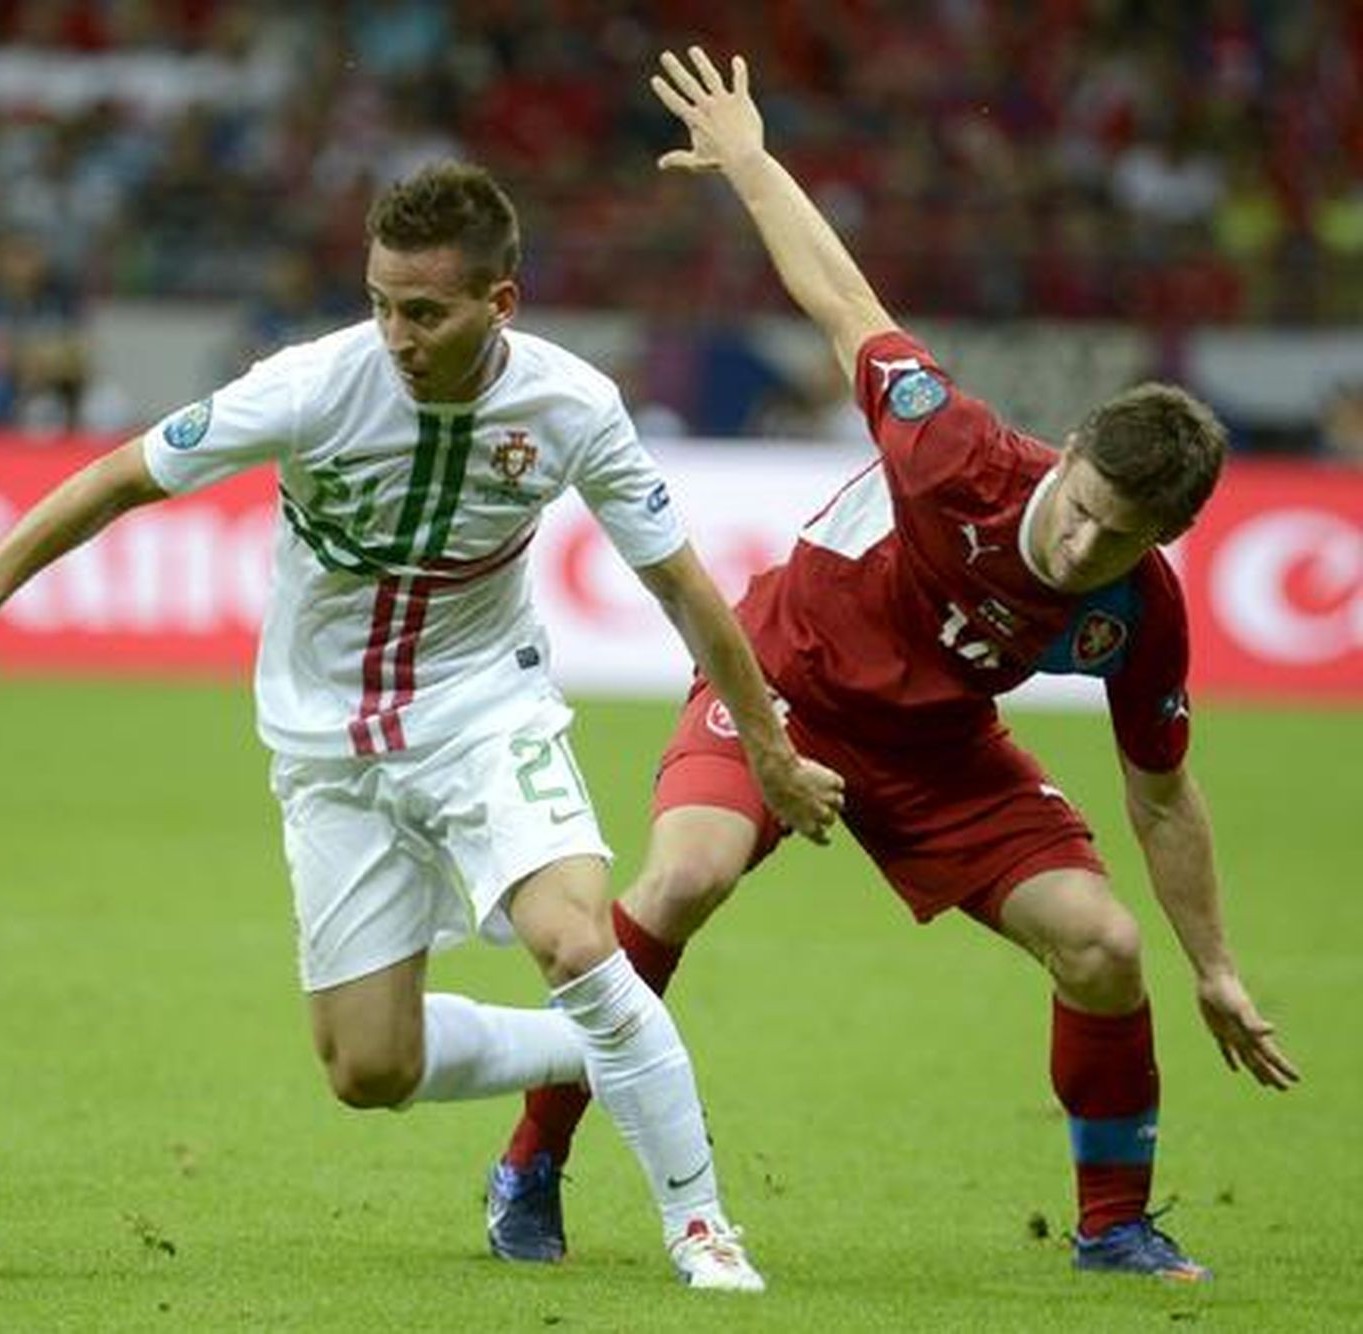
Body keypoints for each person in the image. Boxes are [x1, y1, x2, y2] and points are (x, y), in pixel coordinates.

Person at [0, 159, 844, 1292]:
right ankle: (607, 1043)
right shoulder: (310, 385)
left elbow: (685, 588)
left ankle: (701, 1226)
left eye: (424, 310)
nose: (395, 331)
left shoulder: (573, 406)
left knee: (578, 941)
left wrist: (768, 751)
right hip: (325, 743)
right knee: (367, 1067)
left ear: (502, 303)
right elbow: (116, 479)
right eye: (381, 301)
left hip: (486, 704)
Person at [486, 49, 1300, 1282]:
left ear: (1163, 537)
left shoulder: (1139, 610)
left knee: (1102, 945)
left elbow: (1162, 790)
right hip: (782, 686)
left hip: (937, 750)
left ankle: (1113, 1224)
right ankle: (530, 1160)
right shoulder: (953, 449)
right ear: (1068, 450)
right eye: (1081, 504)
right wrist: (751, 160)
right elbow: (844, 303)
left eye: (1121, 534)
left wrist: (1218, 967)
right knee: (686, 874)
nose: (1084, 542)